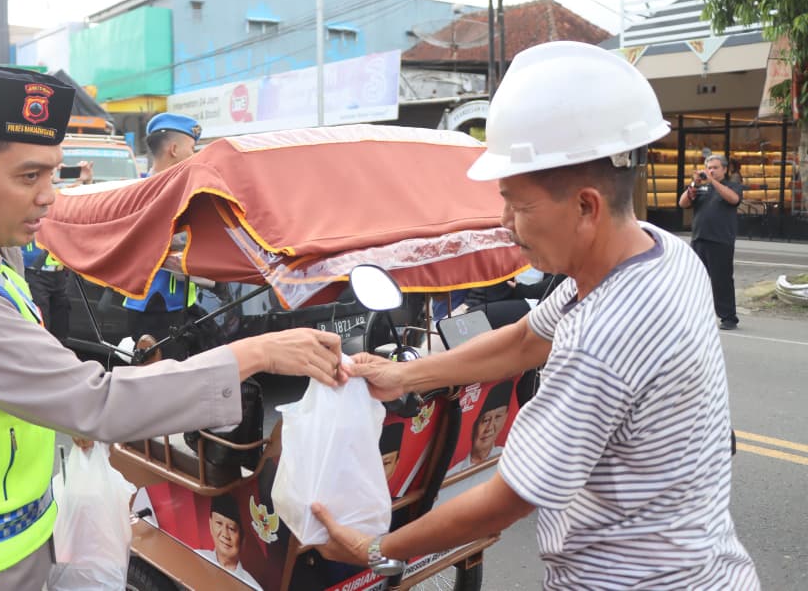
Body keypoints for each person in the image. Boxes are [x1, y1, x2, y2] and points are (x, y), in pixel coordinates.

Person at [0, 66, 342, 591]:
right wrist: (258, 353)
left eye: (54, 174)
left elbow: (29, 371)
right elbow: (98, 400)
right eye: (29, 176)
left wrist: (63, 413)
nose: (50, 196)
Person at [312, 42, 759, 589]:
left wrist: (375, 548)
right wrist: (404, 375)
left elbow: (510, 497)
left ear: (586, 207)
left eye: (518, 206)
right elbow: (525, 338)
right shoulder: (662, 251)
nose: (506, 223)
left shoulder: (606, 332)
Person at [123, 112, 204, 358]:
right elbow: (161, 241)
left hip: (177, 303)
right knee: (159, 381)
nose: (195, 155)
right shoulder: (147, 194)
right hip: (155, 305)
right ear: (174, 149)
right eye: (192, 148)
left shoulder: (173, 190)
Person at [20, 161, 93, 342]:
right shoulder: (30, 195)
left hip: (60, 276)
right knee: (40, 331)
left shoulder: (62, 195)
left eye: (51, 172)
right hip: (34, 273)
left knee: (61, 332)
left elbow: (86, 205)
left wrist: (85, 181)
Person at [679, 153, 743, 330]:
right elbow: (682, 203)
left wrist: (713, 182)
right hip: (699, 238)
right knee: (695, 280)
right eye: (709, 168)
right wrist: (693, 186)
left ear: (724, 169)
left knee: (721, 281)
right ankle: (695, 316)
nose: (711, 171)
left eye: (715, 168)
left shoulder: (733, 185)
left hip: (721, 240)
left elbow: (734, 199)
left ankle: (728, 317)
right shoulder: (701, 187)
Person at [445, 380, 512, 477]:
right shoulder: (452, 474)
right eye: (485, 420)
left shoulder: (510, 457)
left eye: (498, 418)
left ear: (505, 417)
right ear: (474, 425)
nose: (489, 428)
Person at [195, 494, 261, 590]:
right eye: (219, 523)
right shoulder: (195, 559)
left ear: (242, 538)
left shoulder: (252, 587)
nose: (225, 534)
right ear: (210, 524)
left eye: (231, 528)